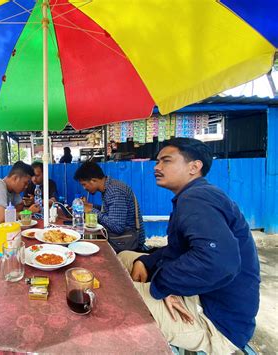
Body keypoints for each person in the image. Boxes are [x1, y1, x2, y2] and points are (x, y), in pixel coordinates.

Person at [118, 138, 260, 353]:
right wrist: (147, 261)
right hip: (203, 295)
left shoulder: (196, 198)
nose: (157, 167)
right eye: (157, 161)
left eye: (166, 161)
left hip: (215, 322)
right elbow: (182, 249)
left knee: (113, 298)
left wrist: (161, 286)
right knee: (125, 257)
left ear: (194, 167)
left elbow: (217, 261)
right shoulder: (196, 194)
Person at [74, 162, 145, 251]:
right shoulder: (109, 187)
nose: (84, 188)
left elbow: (117, 227)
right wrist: (91, 206)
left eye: (84, 184)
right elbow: (111, 212)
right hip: (121, 239)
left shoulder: (114, 191)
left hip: (128, 243)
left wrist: (91, 210)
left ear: (94, 180)